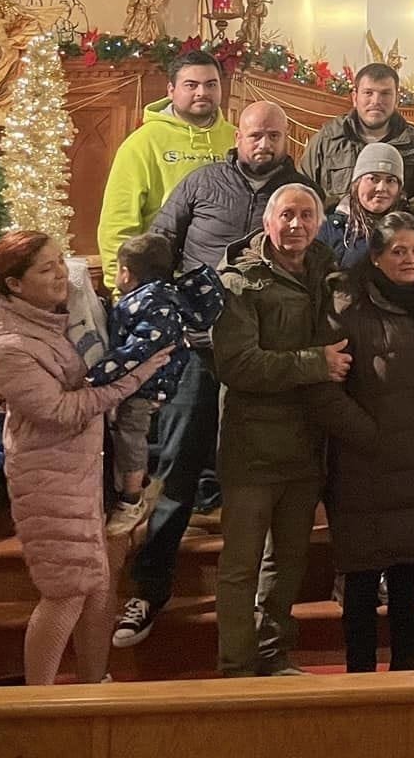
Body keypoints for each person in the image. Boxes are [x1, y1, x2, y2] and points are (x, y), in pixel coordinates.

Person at [116, 100, 308, 650]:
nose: (263, 144)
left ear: (285, 137)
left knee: (263, 482)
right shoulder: (202, 183)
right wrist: (159, 306)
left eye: (273, 135)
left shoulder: (298, 191)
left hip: (268, 360)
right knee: (177, 473)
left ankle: (261, 609)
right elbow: (158, 245)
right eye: (254, 135)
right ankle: (150, 589)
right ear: (238, 135)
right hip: (200, 352)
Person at [0, 230, 171, 686]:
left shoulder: (64, 320)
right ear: (14, 284)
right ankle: (38, 707)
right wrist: (135, 378)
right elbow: (60, 411)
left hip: (88, 473)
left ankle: (92, 692)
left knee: (98, 588)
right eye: (45, 270)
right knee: (66, 592)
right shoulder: (10, 346)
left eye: (59, 264)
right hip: (48, 478)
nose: (61, 276)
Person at [212, 182, 366, 677]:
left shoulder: (330, 272)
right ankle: (235, 668)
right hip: (251, 447)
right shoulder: (240, 280)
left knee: (289, 563)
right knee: (241, 567)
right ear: (267, 221)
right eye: (286, 216)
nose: (295, 225)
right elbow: (238, 364)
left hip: (304, 444)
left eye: (306, 215)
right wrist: (314, 364)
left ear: (319, 222)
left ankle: (273, 654)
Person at [324, 212, 414, 673]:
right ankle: (359, 667)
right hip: (365, 459)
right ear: (375, 258)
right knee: (362, 572)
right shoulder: (349, 304)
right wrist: (369, 434)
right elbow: (327, 389)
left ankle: (410, 654)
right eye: (398, 251)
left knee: (408, 566)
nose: (410, 259)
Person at [89, 231, 223, 534]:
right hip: (137, 382)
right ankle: (133, 484)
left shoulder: (154, 303)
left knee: (130, 432)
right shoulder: (149, 298)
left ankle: (132, 498)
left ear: (126, 272)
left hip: (147, 384)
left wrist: (98, 374)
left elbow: (139, 350)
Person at [96, 49, 234, 287]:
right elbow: (117, 223)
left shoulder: (237, 139)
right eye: (191, 85)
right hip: (162, 280)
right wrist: (120, 288)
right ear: (171, 90)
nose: (202, 92)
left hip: (230, 278)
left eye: (211, 84)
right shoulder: (142, 143)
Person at [306, 63, 414, 228]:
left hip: (394, 244)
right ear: (355, 97)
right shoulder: (328, 139)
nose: (376, 101)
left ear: (397, 99)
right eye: (368, 93)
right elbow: (303, 190)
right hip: (336, 244)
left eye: (385, 93)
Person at [315, 142, 414, 272]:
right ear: (357, 183)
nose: (381, 188)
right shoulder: (331, 228)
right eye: (373, 179)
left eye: (390, 180)